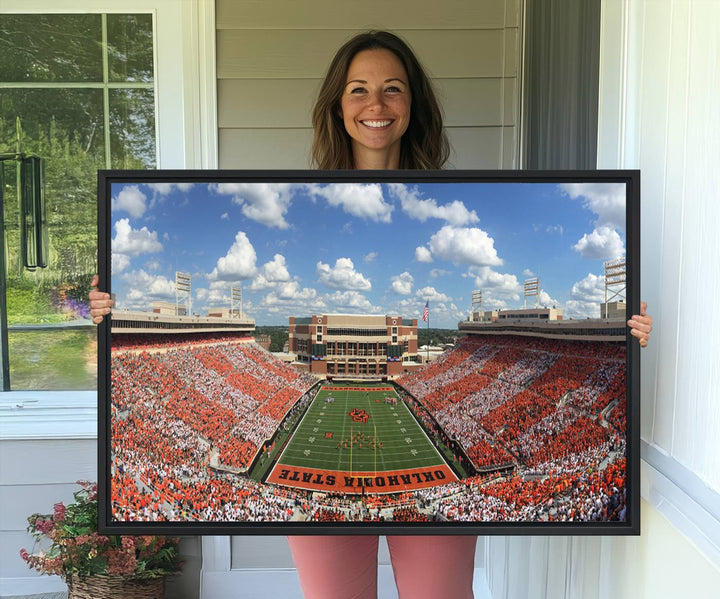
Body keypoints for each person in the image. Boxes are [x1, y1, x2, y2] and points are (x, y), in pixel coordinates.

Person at [89, 30, 653, 599]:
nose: (376, 105)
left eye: (392, 89)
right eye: (358, 90)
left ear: (413, 105)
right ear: (338, 104)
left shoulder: (454, 199)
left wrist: (623, 337)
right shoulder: (298, 191)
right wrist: (110, 312)